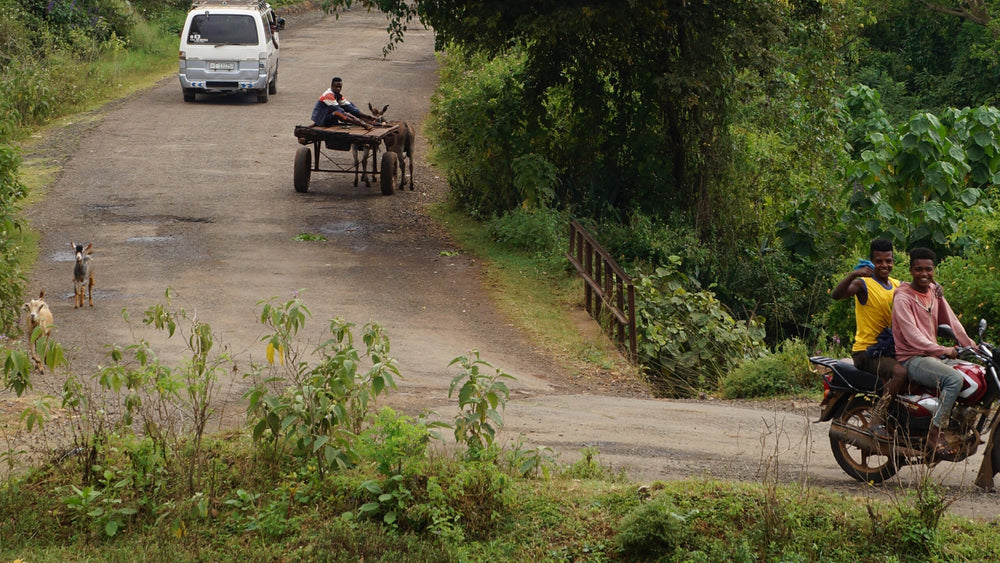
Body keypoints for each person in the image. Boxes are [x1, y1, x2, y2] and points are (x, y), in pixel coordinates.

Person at [892, 247, 974, 458]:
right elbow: (912, 335)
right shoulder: (903, 298)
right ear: (911, 270)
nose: (924, 274)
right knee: (954, 380)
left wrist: (971, 345)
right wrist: (944, 349)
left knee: (971, 374)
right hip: (912, 358)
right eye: (919, 269)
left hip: (932, 356)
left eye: (928, 269)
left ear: (934, 270)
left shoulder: (933, 292)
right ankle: (935, 431)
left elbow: (952, 322)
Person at [832, 238, 908, 440]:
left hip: (889, 350)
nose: (885, 265)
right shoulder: (863, 284)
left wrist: (935, 287)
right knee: (900, 373)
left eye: (888, 261)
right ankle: (876, 419)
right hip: (866, 352)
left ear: (893, 261)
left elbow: (919, 291)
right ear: (871, 261)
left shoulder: (896, 284)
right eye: (879, 261)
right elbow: (837, 295)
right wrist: (853, 274)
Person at [310, 76, 375, 129]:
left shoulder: (338, 95)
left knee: (351, 105)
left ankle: (369, 121)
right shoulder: (328, 95)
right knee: (338, 113)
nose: (338, 89)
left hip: (330, 117)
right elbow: (340, 111)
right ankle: (363, 124)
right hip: (322, 119)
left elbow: (350, 108)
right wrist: (357, 120)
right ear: (332, 86)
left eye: (340, 87)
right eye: (336, 87)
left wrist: (367, 116)